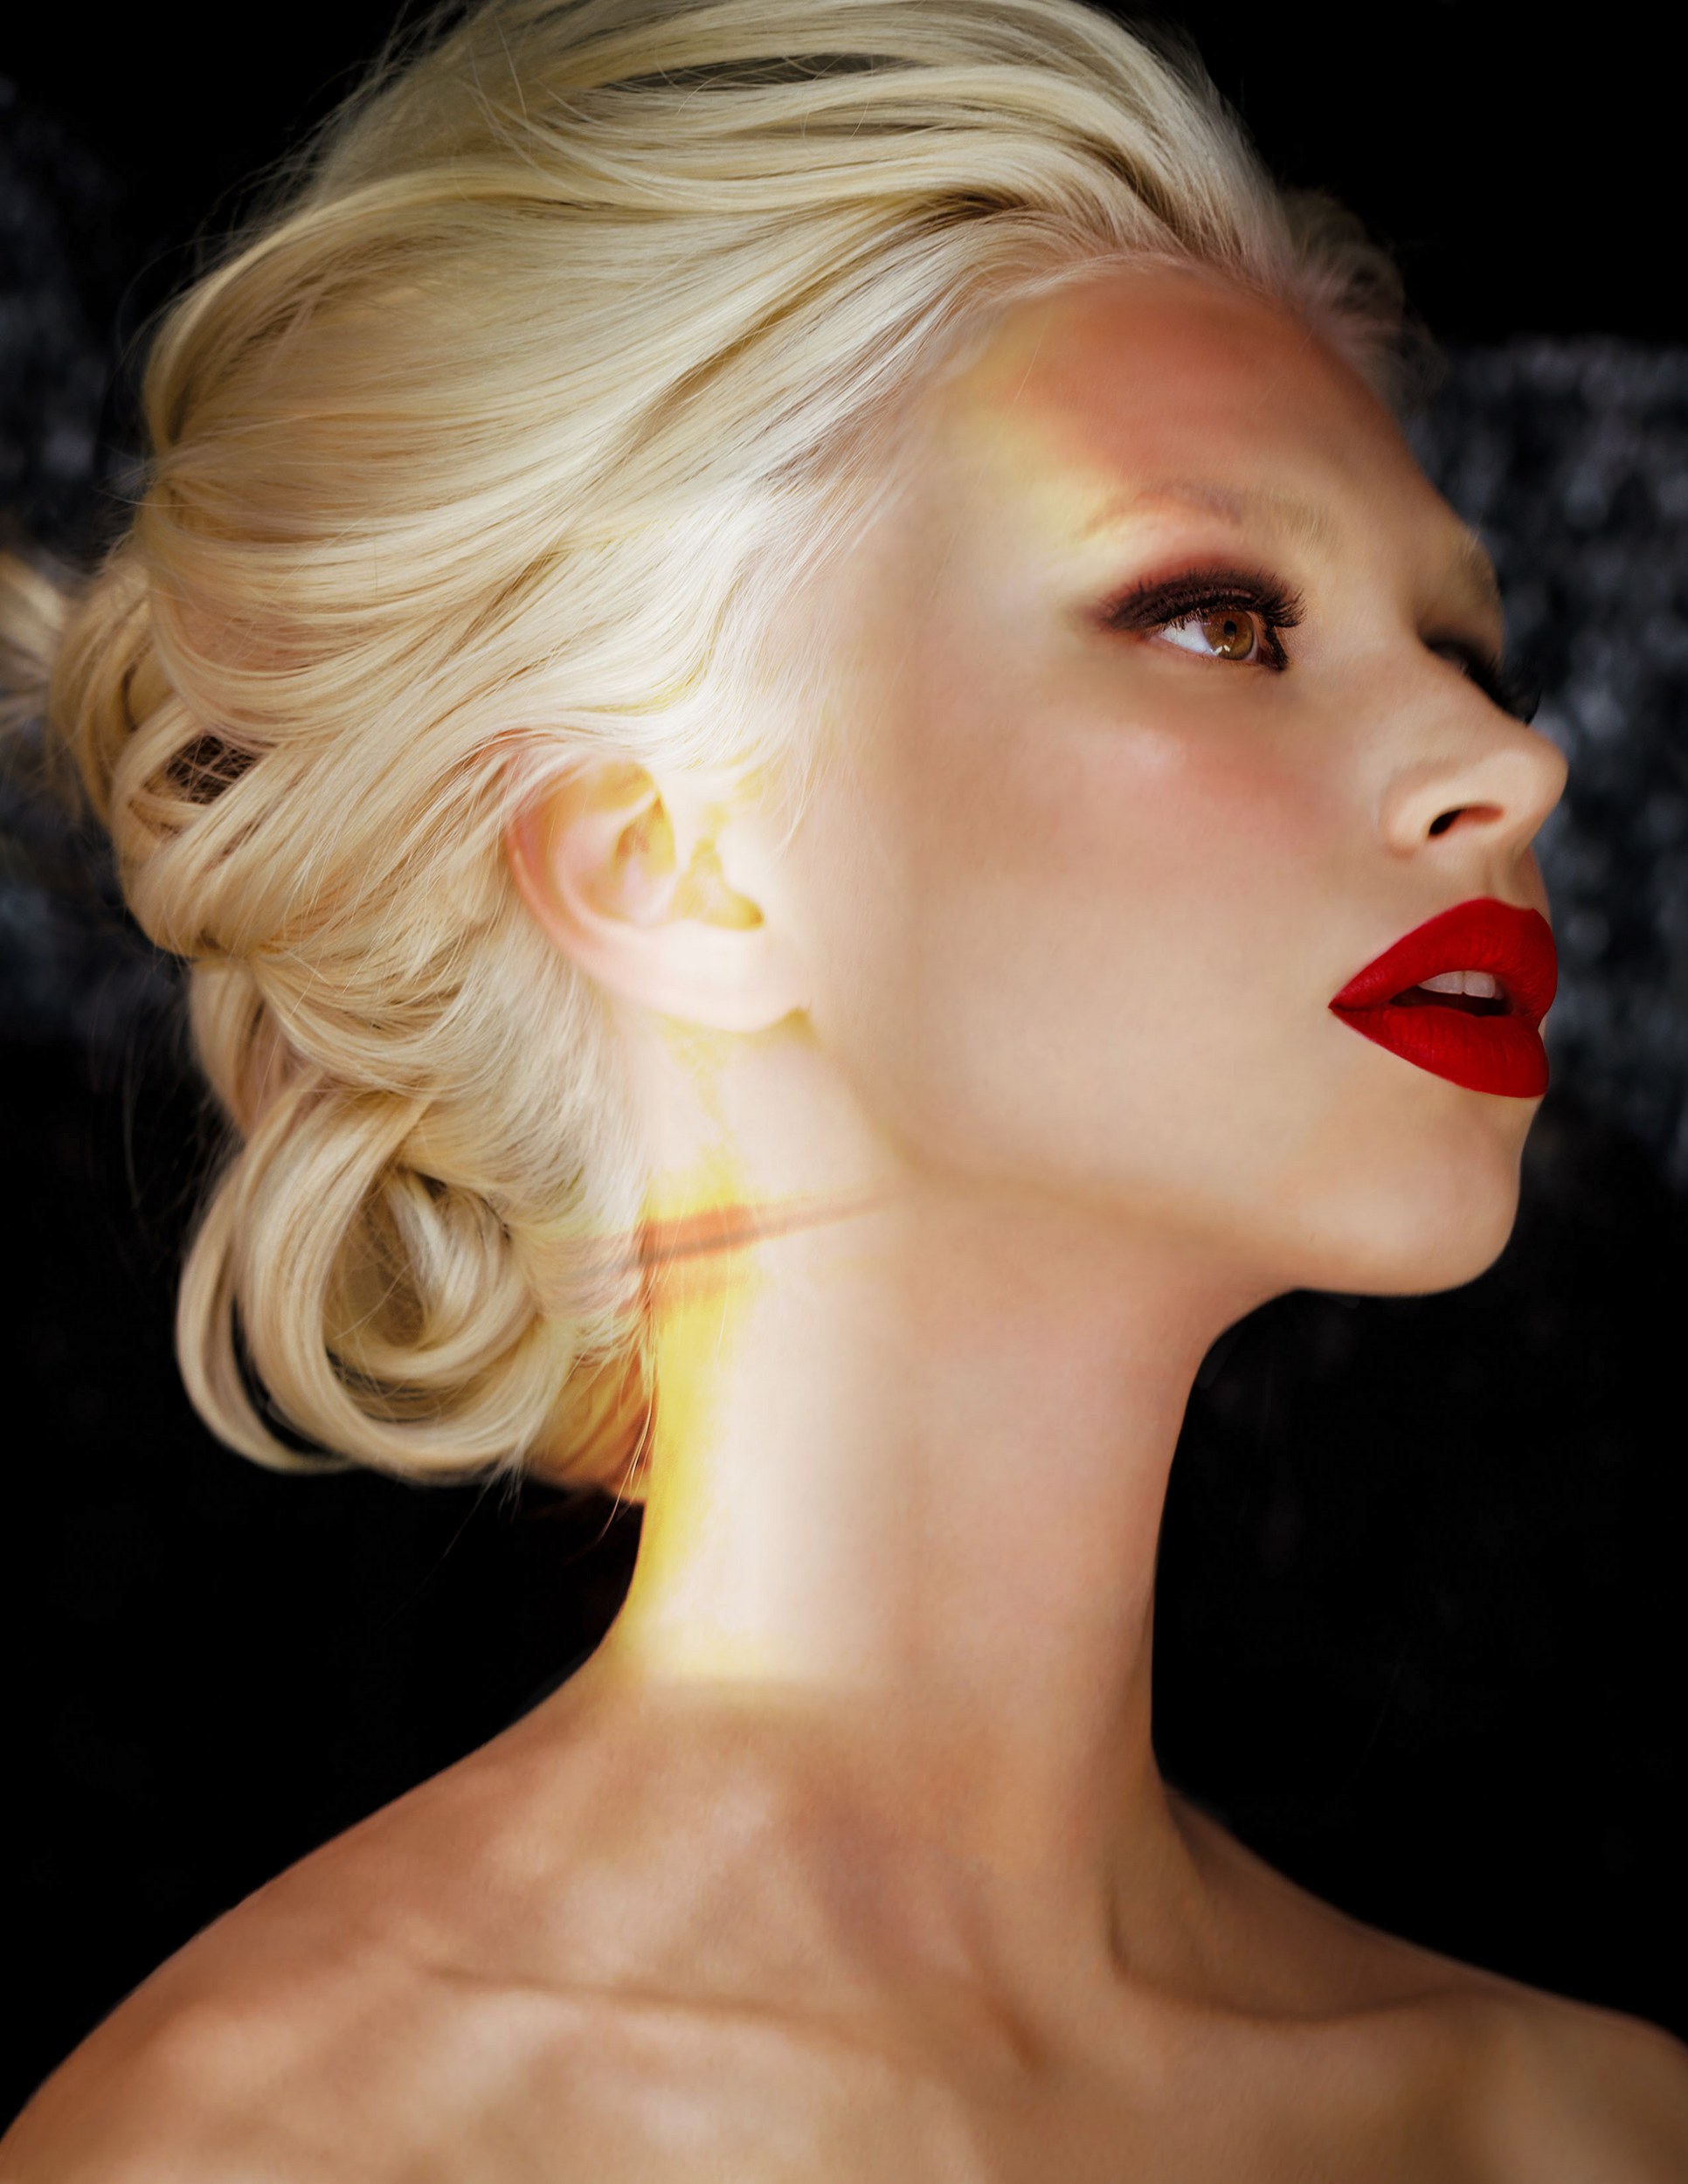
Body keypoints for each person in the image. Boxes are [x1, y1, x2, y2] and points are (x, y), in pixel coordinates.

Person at [3, 0, 1686, 2174]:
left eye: (1470, 648)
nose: (1515, 762)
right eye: (1216, 614)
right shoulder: (274, 2145)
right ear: (666, 861)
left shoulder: (1587, 2121)